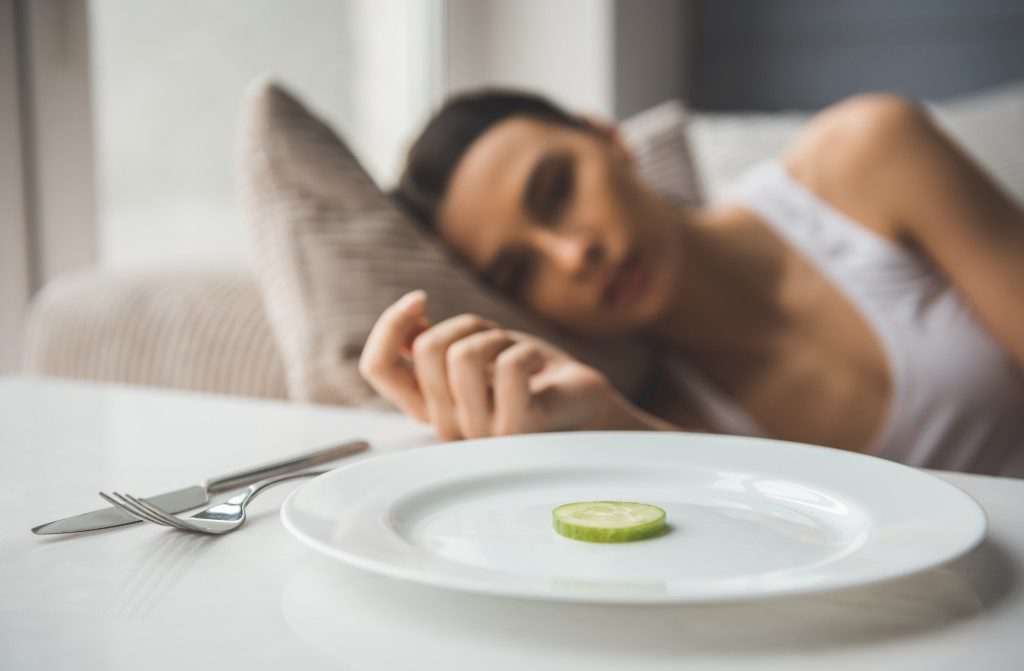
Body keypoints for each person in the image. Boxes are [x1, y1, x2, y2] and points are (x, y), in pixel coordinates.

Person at [358, 89, 1024, 477]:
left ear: (609, 139)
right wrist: (613, 421)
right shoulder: (657, 419)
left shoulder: (870, 156)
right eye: (519, 270)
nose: (571, 255)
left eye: (558, 189)